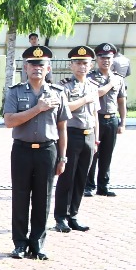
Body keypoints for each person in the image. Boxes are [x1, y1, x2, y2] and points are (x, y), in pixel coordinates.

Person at [2, 45, 67, 260]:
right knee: (20, 197)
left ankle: (37, 243)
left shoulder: (58, 93)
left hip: (47, 151)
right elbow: (9, 121)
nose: (37, 68)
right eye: (32, 64)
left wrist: (62, 157)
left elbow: (62, 128)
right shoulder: (15, 91)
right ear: (25, 67)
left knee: (43, 197)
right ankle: (20, 243)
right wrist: (37, 108)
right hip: (22, 150)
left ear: (48, 68)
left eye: (41, 65)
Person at [52, 46, 100, 234]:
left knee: (81, 178)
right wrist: (84, 99)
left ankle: (73, 215)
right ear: (71, 65)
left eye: (85, 63)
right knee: (67, 178)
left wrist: (96, 138)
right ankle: (60, 217)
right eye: (78, 63)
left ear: (91, 65)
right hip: (71, 134)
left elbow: (95, 114)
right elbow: (64, 109)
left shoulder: (93, 86)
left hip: (89, 135)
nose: (82, 67)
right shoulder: (64, 86)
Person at [85, 42, 127, 197]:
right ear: (97, 59)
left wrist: (123, 122)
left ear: (113, 59)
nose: (106, 61)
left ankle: (103, 186)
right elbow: (97, 93)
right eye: (102, 58)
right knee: (93, 154)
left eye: (108, 58)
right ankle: (88, 186)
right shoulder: (90, 78)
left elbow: (121, 101)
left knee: (107, 155)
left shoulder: (118, 78)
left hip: (112, 120)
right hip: (96, 120)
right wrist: (110, 84)